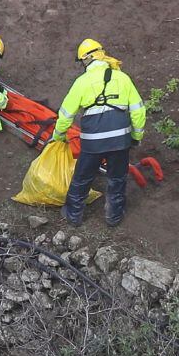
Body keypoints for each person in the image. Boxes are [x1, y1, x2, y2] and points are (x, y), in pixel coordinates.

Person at [53, 38, 146, 227]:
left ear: (85, 59)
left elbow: (65, 114)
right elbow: (138, 110)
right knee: (117, 178)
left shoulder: (82, 82)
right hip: (120, 138)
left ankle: (73, 215)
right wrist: (135, 137)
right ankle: (113, 217)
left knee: (82, 177)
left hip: (93, 140)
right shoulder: (122, 78)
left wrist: (58, 136)